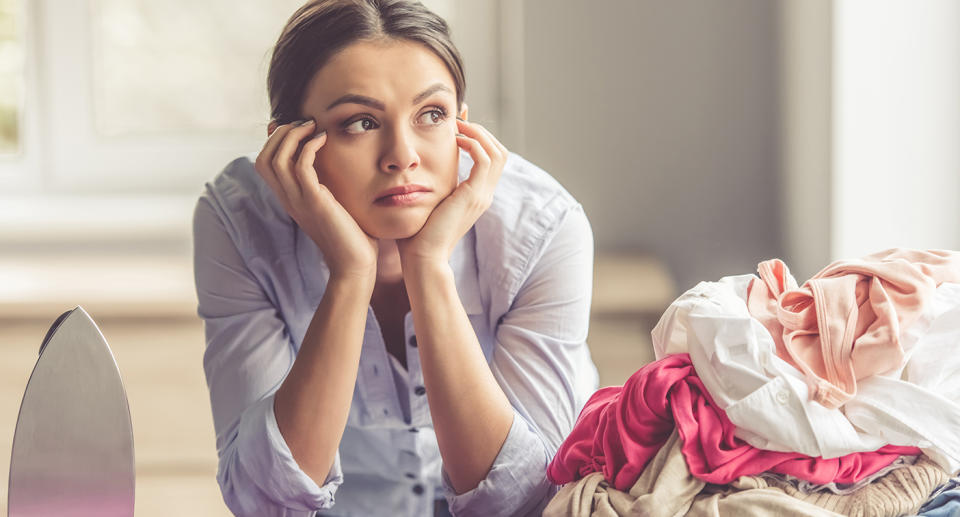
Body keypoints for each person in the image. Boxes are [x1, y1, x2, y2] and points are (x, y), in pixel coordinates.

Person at [192, 1, 598, 515]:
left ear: (461, 126)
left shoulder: (541, 228)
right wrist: (350, 274)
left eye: (431, 115)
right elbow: (262, 499)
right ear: (290, 146)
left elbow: (527, 499)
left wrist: (428, 268)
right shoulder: (238, 221)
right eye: (360, 122)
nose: (402, 155)